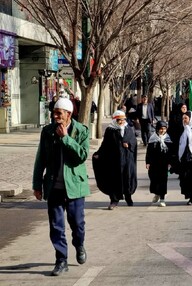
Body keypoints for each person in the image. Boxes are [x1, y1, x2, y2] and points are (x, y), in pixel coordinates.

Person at [32, 97, 90, 276]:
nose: (55, 116)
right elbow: (40, 158)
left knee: (77, 224)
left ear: (69, 114)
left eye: (59, 113)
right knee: (56, 227)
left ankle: (79, 244)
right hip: (54, 187)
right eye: (54, 113)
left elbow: (81, 156)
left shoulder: (81, 131)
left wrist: (65, 138)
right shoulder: (47, 131)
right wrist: (37, 184)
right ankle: (61, 260)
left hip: (75, 187)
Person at [93, 110, 137, 209]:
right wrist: (99, 154)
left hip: (127, 159)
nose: (121, 122)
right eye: (119, 120)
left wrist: (129, 144)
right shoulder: (110, 130)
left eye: (122, 119)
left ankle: (128, 197)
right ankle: (114, 200)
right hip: (114, 160)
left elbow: (133, 141)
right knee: (114, 180)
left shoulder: (129, 129)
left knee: (127, 178)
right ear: (115, 120)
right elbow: (105, 144)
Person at [146, 121, 174, 207]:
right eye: (161, 129)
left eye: (164, 129)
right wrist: (148, 162)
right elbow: (149, 152)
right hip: (154, 164)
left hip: (164, 164)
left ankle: (162, 199)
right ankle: (157, 193)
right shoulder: (152, 139)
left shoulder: (168, 139)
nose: (162, 130)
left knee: (163, 181)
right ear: (157, 129)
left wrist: (170, 162)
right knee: (153, 179)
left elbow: (171, 153)